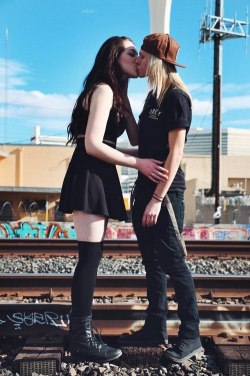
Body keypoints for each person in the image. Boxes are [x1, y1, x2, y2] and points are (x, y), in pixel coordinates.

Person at [58, 35, 168, 363]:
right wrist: (139, 163)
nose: (138, 58)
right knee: (90, 258)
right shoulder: (103, 90)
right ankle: (81, 337)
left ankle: (82, 333)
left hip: (100, 172)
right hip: (90, 172)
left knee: (93, 255)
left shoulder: (115, 92)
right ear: (114, 57)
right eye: (131, 53)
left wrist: (149, 151)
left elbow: (133, 138)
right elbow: (93, 144)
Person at [118, 33, 203, 364]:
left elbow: (175, 152)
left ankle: (191, 336)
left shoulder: (176, 97)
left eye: (140, 56)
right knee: (152, 262)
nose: (137, 61)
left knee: (174, 263)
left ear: (153, 60)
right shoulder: (152, 97)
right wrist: (109, 143)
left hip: (165, 194)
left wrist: (157, 198)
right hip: (143, 188)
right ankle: (156, 327)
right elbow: (141, 142)